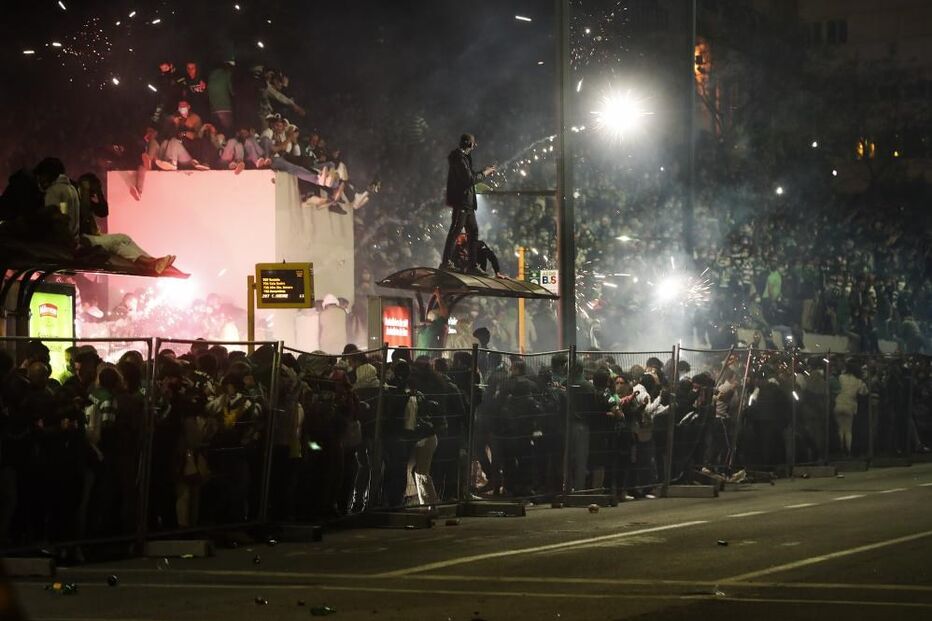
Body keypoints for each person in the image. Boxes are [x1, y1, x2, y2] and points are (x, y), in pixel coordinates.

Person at [440, 133, 496, 274]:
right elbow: (469, 179)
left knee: (473, 231)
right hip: (462, 202)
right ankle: (446, 263)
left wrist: (482, 172)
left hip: (467, 203)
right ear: (470, 144)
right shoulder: (459, 158)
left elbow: (469, 177)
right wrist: (485, 173)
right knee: (455, 231)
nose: (474, 147)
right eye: (473, 144)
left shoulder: (463, 158)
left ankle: (472, 266)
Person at [207, 60, 235, 131]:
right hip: (225, 109)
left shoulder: (209, 77)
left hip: (213, 111)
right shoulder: (226, 74)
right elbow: (232, 91)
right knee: (227, 132)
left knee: (216, 133)